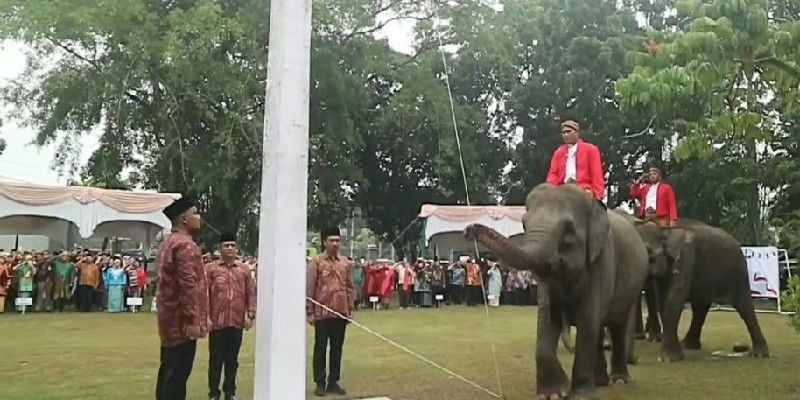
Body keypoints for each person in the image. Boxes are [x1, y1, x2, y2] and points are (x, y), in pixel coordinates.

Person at [155, 195, 209, 400]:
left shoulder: (169, 242)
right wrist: (193, 320)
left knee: (168, 373)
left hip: (169, 321)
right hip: (181, 323)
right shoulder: (185, 245)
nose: (199, 217)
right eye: (195, 213)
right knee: (177, 377)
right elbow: (188, 286)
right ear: (184, 219)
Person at [206, 232, 256, 400]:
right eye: (226, 246)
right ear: (220, 249)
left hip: (236, 321)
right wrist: (206, 317)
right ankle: (214, 392)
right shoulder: (211, 269)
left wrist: (250, 314)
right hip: (217, 322)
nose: (229, 249)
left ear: (236, 248)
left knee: (232, 360)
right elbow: (205, 294)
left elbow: (251, 293)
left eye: (232, 246)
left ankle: (230, 392)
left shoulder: (243, 270)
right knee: (215, 360)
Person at [306, 226, 354, 397]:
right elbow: (310, 288)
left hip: (340, 312)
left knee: (337, 348)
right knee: (320, 348)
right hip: (322, 313)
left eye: (337, 240)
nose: (334, 244)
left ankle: (333, 381)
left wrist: (350, 308)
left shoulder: (345, 263)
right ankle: (320, 382)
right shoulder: (316, 262)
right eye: (331, 240)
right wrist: (309, 312)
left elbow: (349, 287)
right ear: (324, 242)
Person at [545, 119, 606, 200]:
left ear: (577, 132)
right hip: (562, 191)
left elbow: (596, 174)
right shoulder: (558, 153)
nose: (565, 135)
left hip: (584, 191)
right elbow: (553, 174)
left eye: (568, 131)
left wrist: (597, 195)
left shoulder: (591, 150)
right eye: (563, 133)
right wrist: (550, 190)